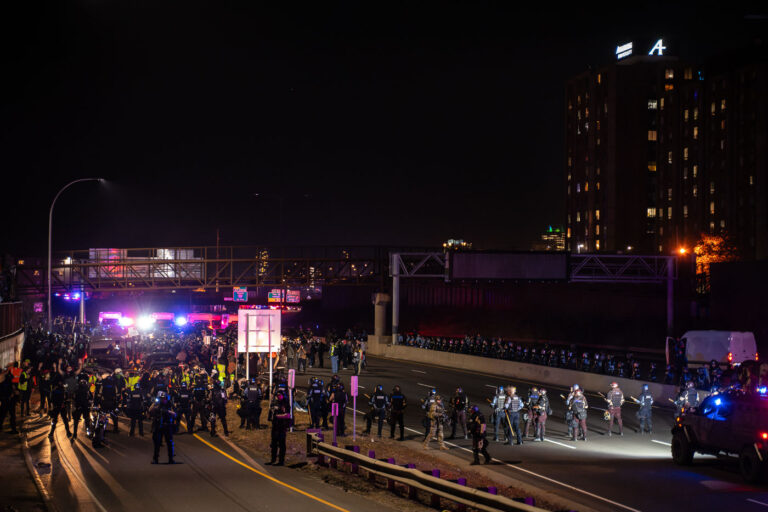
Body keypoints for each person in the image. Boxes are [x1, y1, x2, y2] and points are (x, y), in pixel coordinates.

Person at [149, 391, 176, 464]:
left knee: (169, 443)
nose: (163, 400)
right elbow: (150, 411)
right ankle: (155, 459)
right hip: (158, 425)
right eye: (161, 398)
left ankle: (171, 458)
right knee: (156, 443)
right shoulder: (156, 404)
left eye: (164, 398)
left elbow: (174, 413)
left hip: (167, 425)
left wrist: (168, 412)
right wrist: (154, 404)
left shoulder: (169, 404)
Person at [267, 391, 291, 466]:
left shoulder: (285, 404)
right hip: (275, 425)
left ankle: (281, 461)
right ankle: (273, 460)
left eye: (280, 395)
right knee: (273, 444)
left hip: (282, 426)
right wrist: (270, 417)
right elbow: (271, 412)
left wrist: (278, 416)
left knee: (281, 444)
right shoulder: (274, 403)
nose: (278, 397)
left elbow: (287, 415)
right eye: (277, 395)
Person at [0, 365, 19, 434]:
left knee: (11, 415)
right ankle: (12, 429)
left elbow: (11, 384)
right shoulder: (3, 377)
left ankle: (13, 429)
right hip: (5, 399)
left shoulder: (8, 376)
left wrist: (14, 392)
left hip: (9, 399)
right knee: (3, 414)